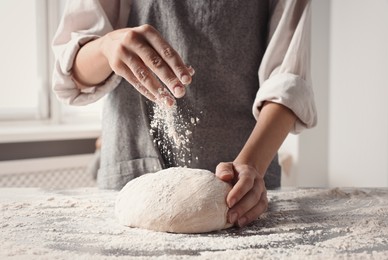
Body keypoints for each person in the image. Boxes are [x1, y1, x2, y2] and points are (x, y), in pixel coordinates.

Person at [52, 0, 317, 228]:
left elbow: (287, 78)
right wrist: (105, 47)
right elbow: (71, 70)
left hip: (239, 187)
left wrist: (250, 165)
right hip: (130, 165)